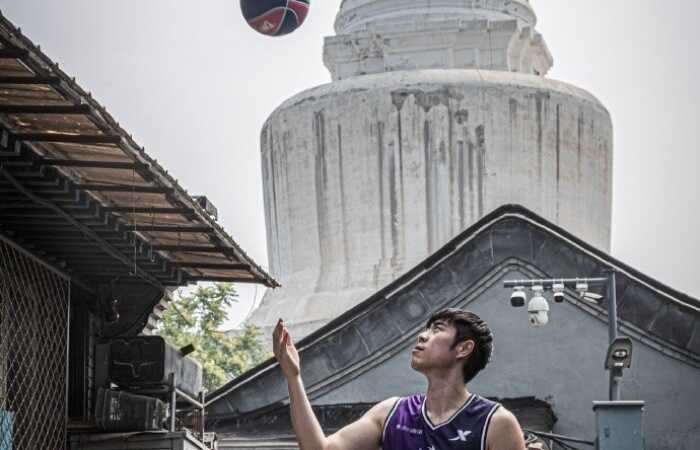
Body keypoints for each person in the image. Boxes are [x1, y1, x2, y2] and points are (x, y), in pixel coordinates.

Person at [272, 307, 527, 450]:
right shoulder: (391, 412)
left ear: (463, 348)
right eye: (425, 328)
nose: (422, 336)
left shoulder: (496, 423)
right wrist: (293, 377)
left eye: (436, 330)